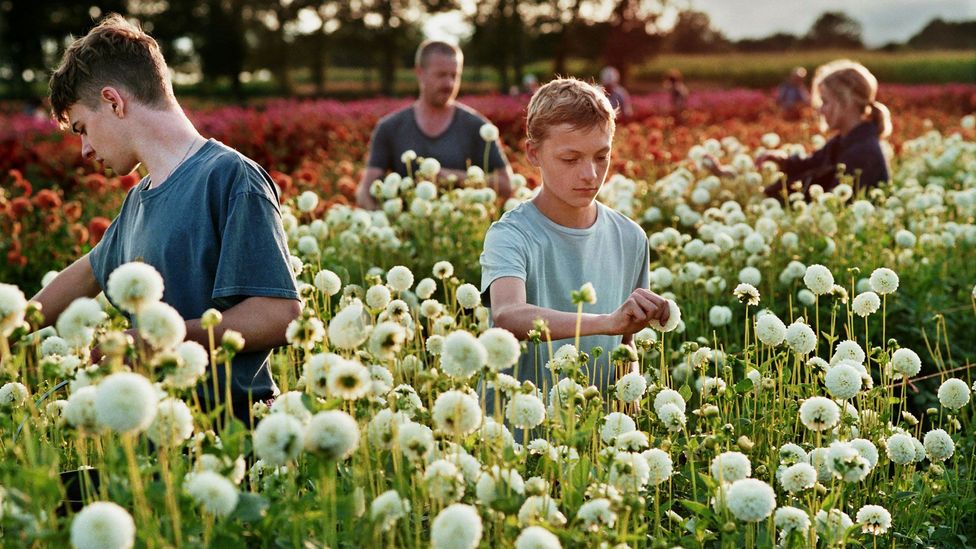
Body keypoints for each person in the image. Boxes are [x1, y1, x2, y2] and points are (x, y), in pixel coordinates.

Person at [33, 14, 301, 422]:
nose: (85, 149)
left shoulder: (229, 177)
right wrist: (8, 326)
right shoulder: (138, 201)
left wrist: (157, 340)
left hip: (232, 436)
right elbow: (86, 273)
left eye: (83, 128)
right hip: (157, 437)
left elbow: (278, 314)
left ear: (113, 101)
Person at [480, 78, 670, 396]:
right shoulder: (510, 234)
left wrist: (629, 393)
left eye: (601, 157)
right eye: (570, 159)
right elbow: (507, 315)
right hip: (518, 432)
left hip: (596, 434)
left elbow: (626, 344)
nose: (590, 175)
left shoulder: (631, 237)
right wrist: (606, 321)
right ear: (533, 153)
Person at [356, 40, 513, 209]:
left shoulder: (478, 127)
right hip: (407, 230)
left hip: (461, 229)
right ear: (419, 73)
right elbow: (365, 192)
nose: (449, 84)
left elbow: (506, 184)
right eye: (441, 75)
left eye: (454, 75)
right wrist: (385, 223)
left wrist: (452, 177)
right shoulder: (390, 127)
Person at [708, 59, 891, 199]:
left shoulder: (862, 153)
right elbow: (809, 166)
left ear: (846, 101)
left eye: (825, 102)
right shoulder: (844, 142)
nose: (820, 109)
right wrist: (781, 161)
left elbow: (832, 206)